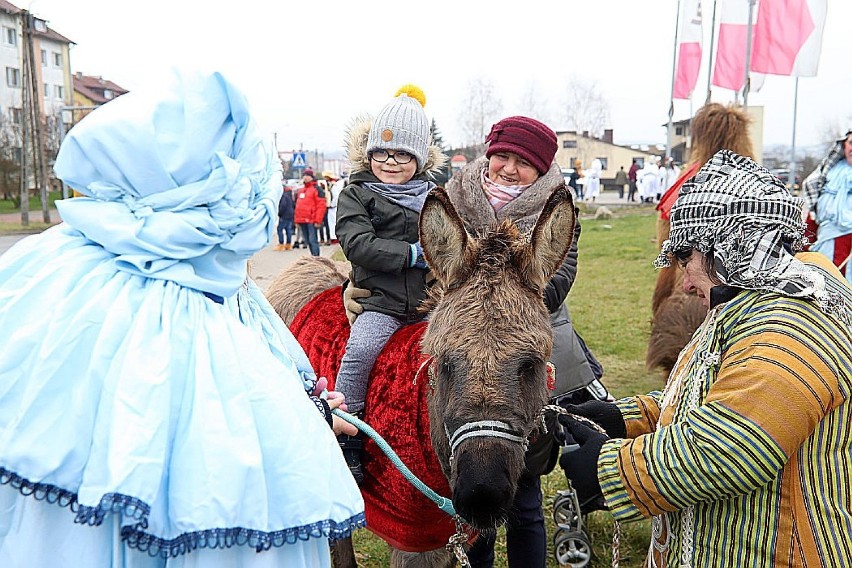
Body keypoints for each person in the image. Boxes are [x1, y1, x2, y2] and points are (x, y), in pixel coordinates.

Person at [0, 69, 364, 567]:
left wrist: (310, 412)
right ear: (222, 197)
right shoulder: (189, 312)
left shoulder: (47, 268)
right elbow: (226, 461)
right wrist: (300, 420)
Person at [559, 150, 852, 567]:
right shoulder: (747, 305)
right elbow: (710, 399)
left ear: (728, 246)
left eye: (686, 259)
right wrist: (622, 418)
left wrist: (611, 470)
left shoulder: (792, 324)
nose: (685, 280)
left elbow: (730, 446)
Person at [334, 85, 445, 484]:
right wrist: (411, 254)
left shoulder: (434, 197)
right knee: (361, 351)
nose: (389, 162)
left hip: (429, 303)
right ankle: (346, 432)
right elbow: (357, 244)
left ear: (417, 157)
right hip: (380, 301)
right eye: (380, 152)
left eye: (401, 153)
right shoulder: (356, 195)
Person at [802, 129, 852, 281]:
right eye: (851, 143)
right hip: (826, 253)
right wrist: (801, 247)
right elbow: (814, 216)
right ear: (844, 146)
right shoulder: (828, 175)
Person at [293, 167, 326, 256]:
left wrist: (318, 220)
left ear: (312, 177)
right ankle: (313, 257)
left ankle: (317, 259)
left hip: (312, 220)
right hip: (302, 220)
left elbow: (321, 205)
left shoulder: (317, 189)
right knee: (308, 241)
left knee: (313, 240)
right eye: (304, 175)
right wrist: (296, 220)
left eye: (308, 175)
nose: (305, 177)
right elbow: (298, 206)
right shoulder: (301, 190)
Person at [275, 181, 296, 250]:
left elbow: (282, 205)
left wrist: (279, 213)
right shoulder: (290, 195)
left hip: (284, 215)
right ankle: (288, 244)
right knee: (288, 230)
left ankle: (281, 244)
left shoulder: (283, 195)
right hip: (290, 214)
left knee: (279, 229)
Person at [319, 170, 338, 246]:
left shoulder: (333, 186)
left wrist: (332, 204)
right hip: (330, 207)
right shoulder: (328, 185)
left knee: (333, 223)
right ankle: (332, 237)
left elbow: (335, 197)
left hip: (333, 207)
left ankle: (334, 238)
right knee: (330, 223)